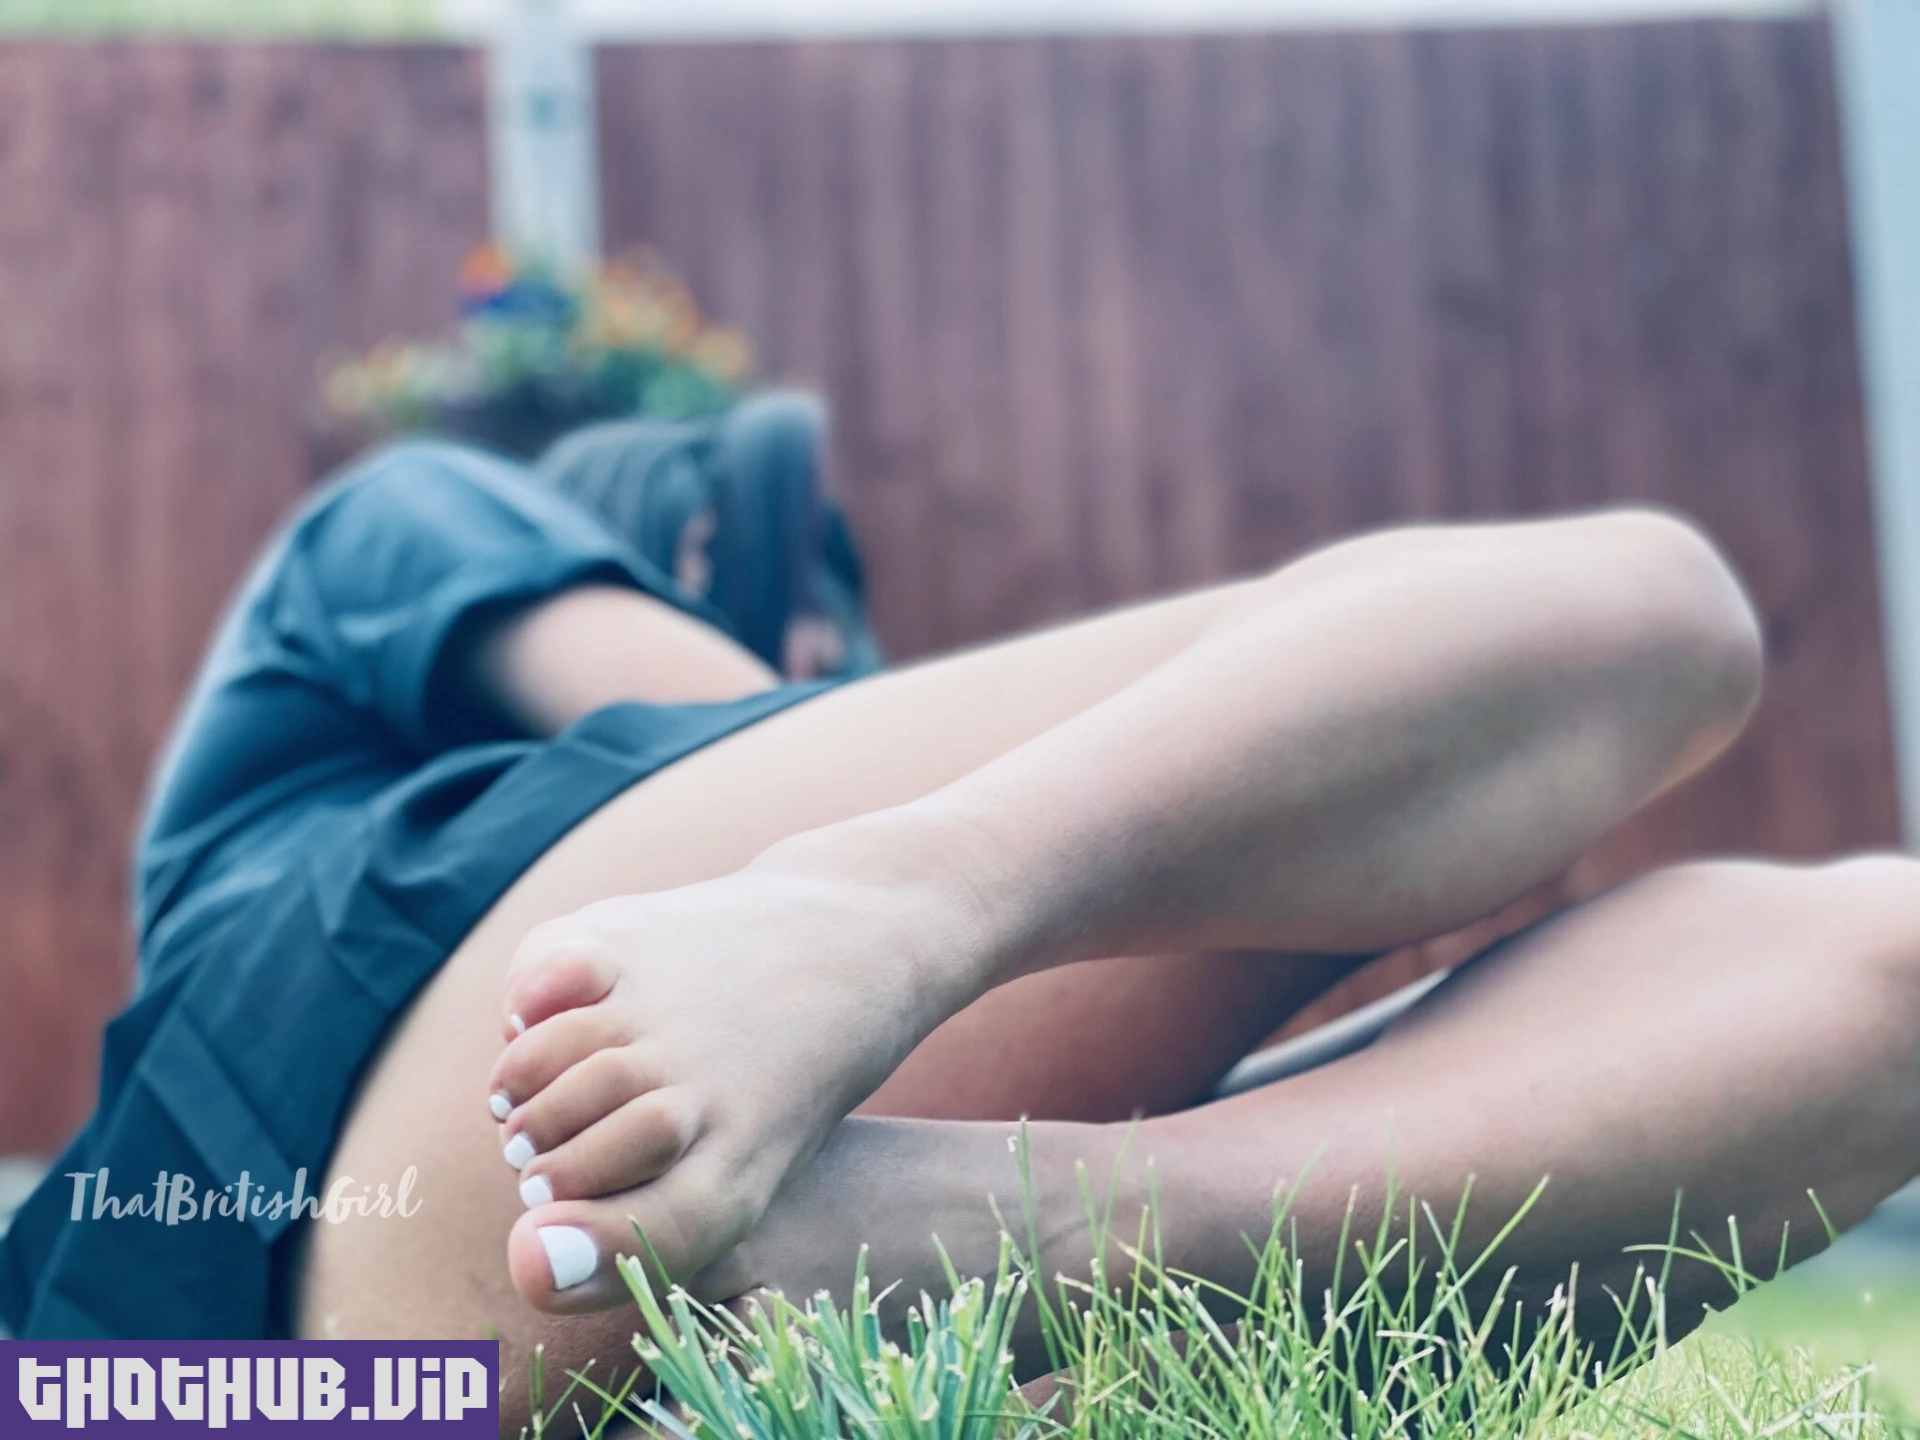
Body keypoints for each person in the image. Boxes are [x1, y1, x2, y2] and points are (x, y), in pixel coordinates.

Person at [4, 430, 1919, 1438]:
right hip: (270, 1323)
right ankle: (891, 910)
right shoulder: (403, 539)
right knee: (1646, 619)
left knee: (1886, 983)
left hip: (286, 1382)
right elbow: (728, 715)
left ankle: (1041, 1227)